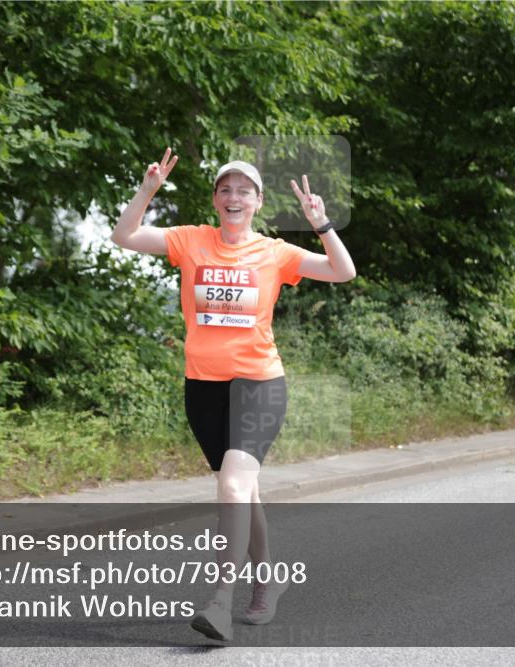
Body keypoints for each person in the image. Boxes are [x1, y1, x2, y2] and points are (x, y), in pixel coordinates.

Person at [111, 147, 356, 642]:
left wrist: (322, 224)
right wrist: (147, 189)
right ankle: (267, 584)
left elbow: (342, 271)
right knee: (246, 490)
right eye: (225, 189)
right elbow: (124, 236)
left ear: (259, 202)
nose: (233, 196)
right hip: (203, 385)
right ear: (215, 200)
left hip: (259, 382)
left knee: (231, 486)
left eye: (244, 190)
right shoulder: (191, 241)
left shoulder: (275, 252)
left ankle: (221, 599)